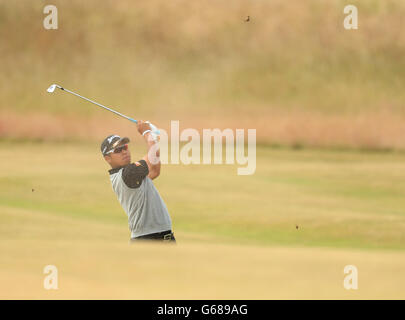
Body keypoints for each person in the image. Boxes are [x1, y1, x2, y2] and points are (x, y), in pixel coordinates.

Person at [101, 121, 175, 243]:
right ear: (107, 158)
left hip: (161, 236)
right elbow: (153, 155)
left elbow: (155, 171)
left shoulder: (128, 174)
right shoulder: (128, 173)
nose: (124, 151)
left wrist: (153, 139)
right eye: (118, 150)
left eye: (125, 147)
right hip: (149, 238)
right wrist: (147, 133)